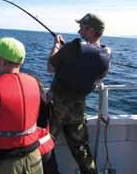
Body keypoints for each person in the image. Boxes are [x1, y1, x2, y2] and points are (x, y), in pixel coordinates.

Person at [0, 37, 45, 174]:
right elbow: (43, 120)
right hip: (35, 155)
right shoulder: (36, 82)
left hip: (8, 161)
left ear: (3, 62)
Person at [47, 13, 111, 174]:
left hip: (56, 107)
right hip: (78, 108)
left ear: (90, 30)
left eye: (82, 27)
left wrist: (57, 46)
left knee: (45, 144)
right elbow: (98, 77)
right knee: (81, 148)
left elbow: (50, 67)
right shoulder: (105, 54)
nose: (78, 31)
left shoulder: (74, 47)